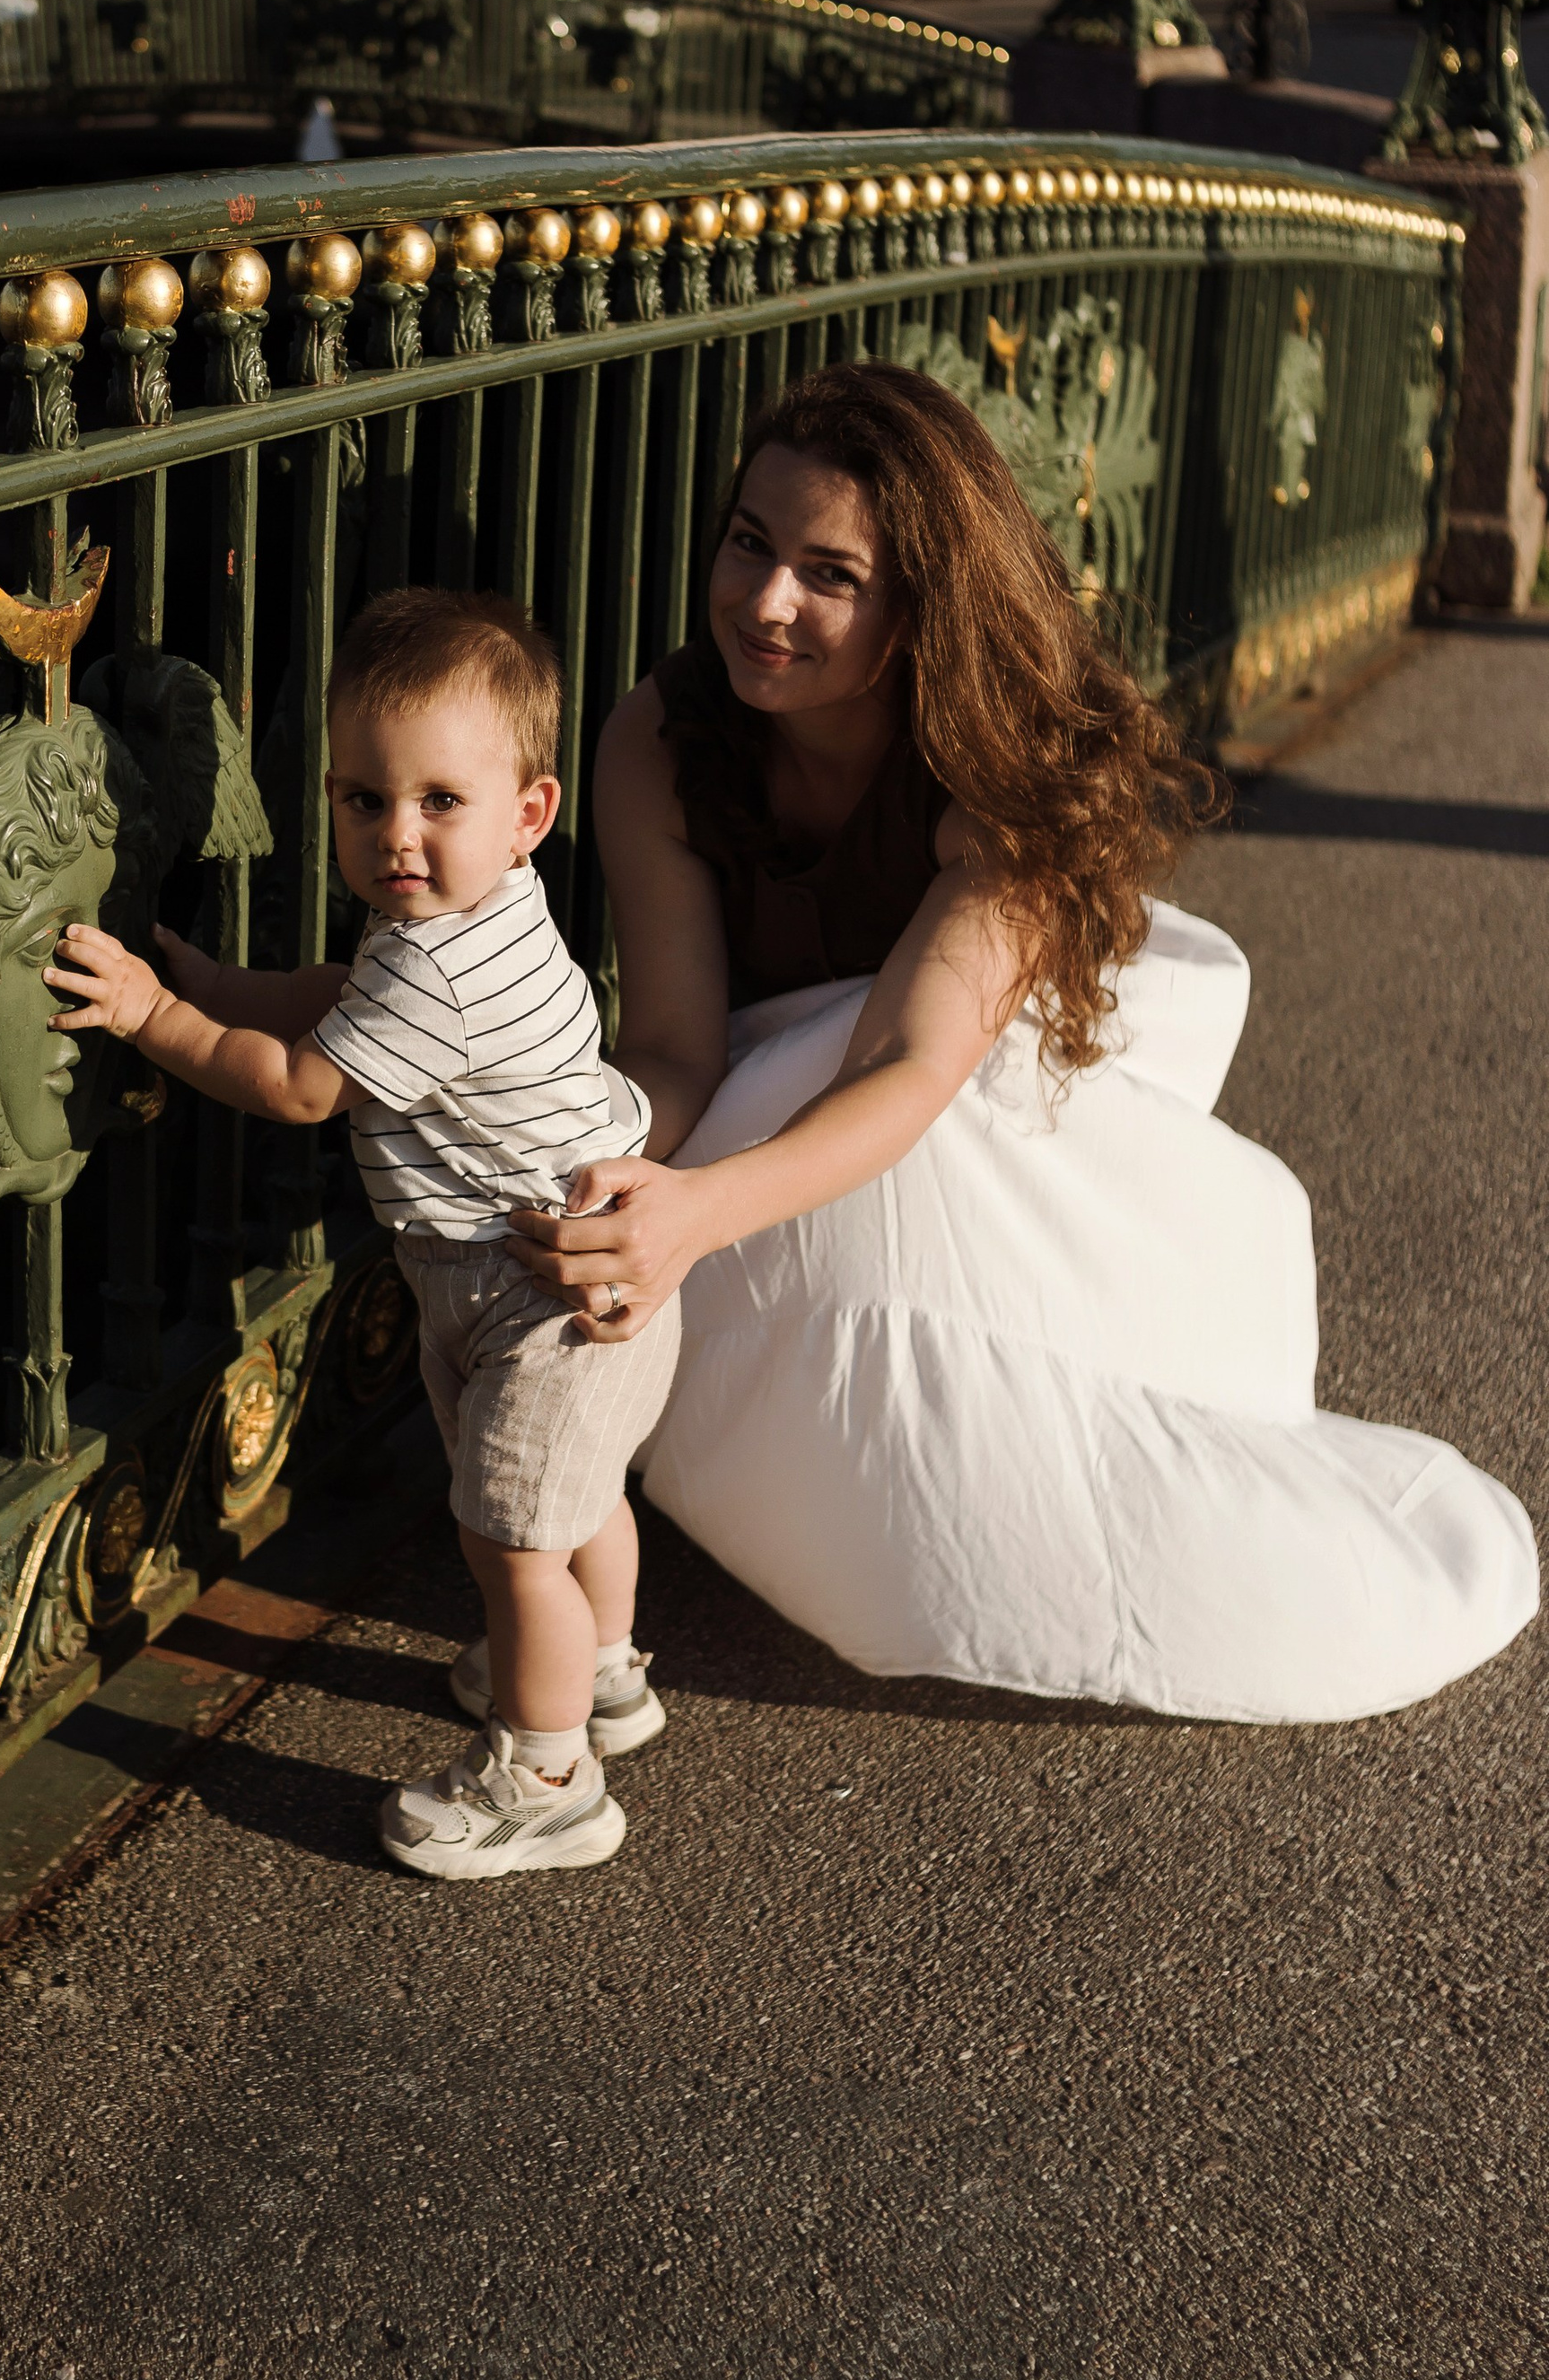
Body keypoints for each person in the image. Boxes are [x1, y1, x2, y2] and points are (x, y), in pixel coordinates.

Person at [508, 363, 1537, 1723]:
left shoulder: (999, 785)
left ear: (918, 606)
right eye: (750, 543)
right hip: (776, 1107)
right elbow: (684, 1045)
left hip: (953, 1112)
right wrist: (592, 1170)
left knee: (992, 1426)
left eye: (832, 575)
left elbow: (905, 1064)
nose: (765, 601)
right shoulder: (659, 734)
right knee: (745, 1113)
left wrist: (693, 1216)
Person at [53, 587, 679, 1874]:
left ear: (529, 813)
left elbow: (295, 1083)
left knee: (506, 1543)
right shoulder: (475, 916)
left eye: (438, 803)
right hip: (579, 1270)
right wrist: (215, 987)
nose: (396, 835)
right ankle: (600, 1671)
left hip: (533, 1300)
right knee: (572, 1512)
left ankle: (549, 1776)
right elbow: (338, 998)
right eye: (362, 800)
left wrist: (146, 1017)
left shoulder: (439, 967)